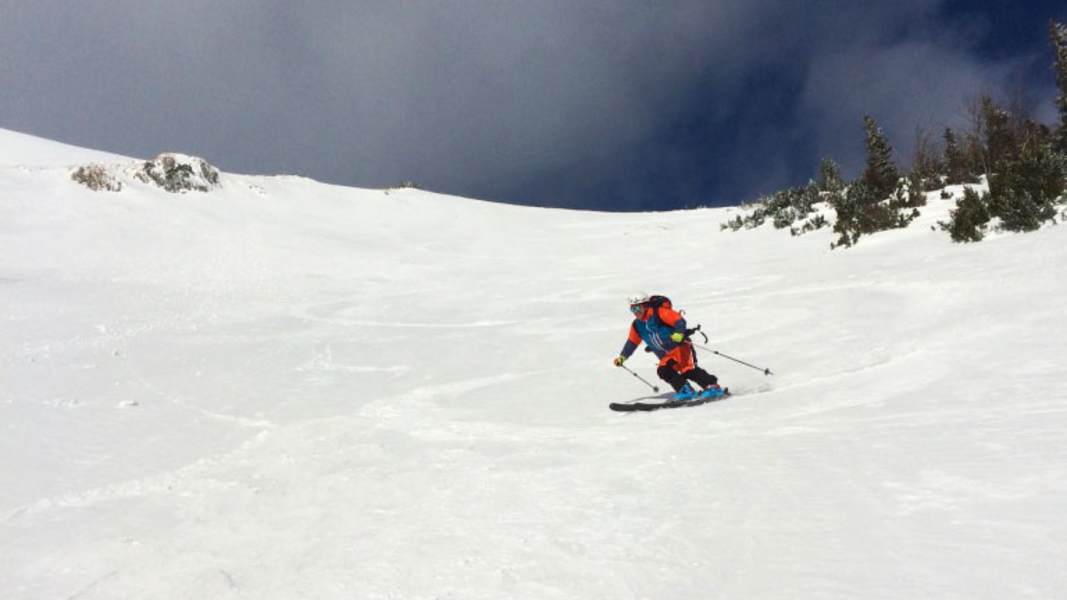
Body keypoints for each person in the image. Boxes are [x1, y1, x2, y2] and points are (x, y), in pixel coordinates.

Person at [613, 293, 722, 400]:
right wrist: (622, 357)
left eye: (638, 308)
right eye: (633, 309)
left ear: (646, 306)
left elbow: (678, 320)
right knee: (663, 370)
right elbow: (632, 342)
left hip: (680, 348)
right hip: (667, 354)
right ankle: (685, 390)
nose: (636, 312)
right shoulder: (637, 325)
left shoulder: (658, 313)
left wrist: (679, 333)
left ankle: (712, 386)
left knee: (688, 370)